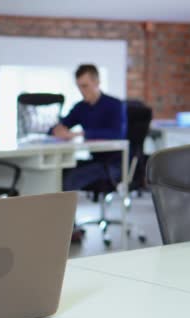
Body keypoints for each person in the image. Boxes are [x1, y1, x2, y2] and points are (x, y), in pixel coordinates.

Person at [48, 64, 126, 241]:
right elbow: (62, 125)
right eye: (79, 86)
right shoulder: (81, 107)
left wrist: (81, 133)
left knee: (70, 179)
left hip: (113, 164)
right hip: (94, 161)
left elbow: (117, 134)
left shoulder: (115, 105)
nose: (82, 91)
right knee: (59, 173)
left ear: (97, 82)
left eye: (85, 86)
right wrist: (57, 129)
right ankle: (62, 226)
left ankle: (68, 232)